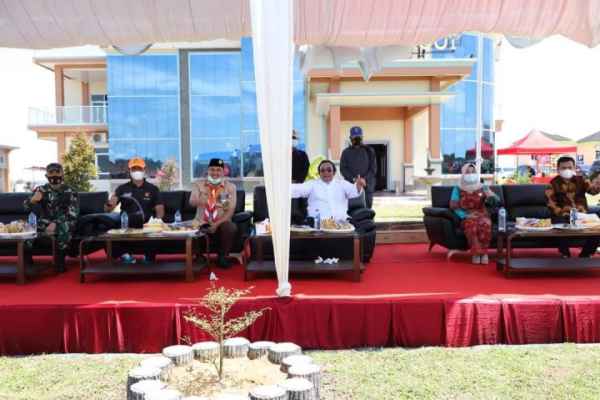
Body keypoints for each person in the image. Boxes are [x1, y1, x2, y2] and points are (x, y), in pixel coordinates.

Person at [105, 157, 165, 263]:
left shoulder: (152, 189)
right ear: (129, 171)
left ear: (144, 170)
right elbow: (108, 209)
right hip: (126, 225)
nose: (137, 171)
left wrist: (157, 222)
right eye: (134, 169)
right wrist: (110, 203)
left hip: (146, 225)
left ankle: (148, 257)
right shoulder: (122, 188)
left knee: (158, 231)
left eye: (139, 169)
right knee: (107, 231)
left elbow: (160, 210)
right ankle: (125, 256)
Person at [24, 163, 79, 272]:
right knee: (28, 230)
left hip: (65, 220)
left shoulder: (70, 191)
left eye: (57, 172)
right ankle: (26, 260)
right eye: (51, 172)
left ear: (62, 174)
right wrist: (33, 200)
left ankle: (60, 261)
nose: (54, 175)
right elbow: (25, 207)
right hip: (45, 221)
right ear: (46, 176)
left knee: (64, 228)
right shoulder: (41, 190)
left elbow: (73, 213)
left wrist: (56, 223)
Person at [545, 156, 600, 258]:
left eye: (570, 167)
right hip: (562, 215)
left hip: (582, 215)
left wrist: (598, 183)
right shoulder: (552, 184)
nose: (567, 170)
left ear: (574, 168)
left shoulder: (582, 180)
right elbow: (551, 204)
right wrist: (565, 214)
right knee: (558, 223)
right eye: (563, 168)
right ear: (558, 169)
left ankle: (586, 254)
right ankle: (565, 254)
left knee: (597, 227)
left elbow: (593, 191)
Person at [189, 158, 238, 268]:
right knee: (192, 226)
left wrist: (216, 225)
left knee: (230, 227)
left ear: (223, 172)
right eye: (212, 170)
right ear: (208, 170)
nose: (215, 173)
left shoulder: (230, 187)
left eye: (218, 170)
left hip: (221, 222)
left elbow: (230, 210)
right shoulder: (198, 185)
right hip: (201, 221)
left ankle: (223, 257)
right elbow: (192, 201)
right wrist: (208, 201)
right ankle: (199, 256)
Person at [449, 163, 498, 265]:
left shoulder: (483, 187)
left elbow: (496, 200)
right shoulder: (457, 188)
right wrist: (465, 215)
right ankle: (476, 253)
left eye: (473, 172)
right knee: (472, 226)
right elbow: (454, 206)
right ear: (463, 174)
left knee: (485, 224)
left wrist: (491, 195)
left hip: (482, 214)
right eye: (468, 172)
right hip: (467, 215)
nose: (471, 174)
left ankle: (484, 253)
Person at [291, 159, 366, 221]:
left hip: (340, 223)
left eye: (329, 170)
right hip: (318, 224)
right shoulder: (312, 184)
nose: (325, 172)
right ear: (319, 173)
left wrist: (358, 185)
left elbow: (354, 191)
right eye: (322, 170)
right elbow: (297, 189)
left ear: (334, 172)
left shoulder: (342, 184)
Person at [340, 126, 377, 208]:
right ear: (350, 138)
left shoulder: (370, 150)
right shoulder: (346, 152)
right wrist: (354, 179)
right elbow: (343, 169)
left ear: (362, 137)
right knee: (351, 210)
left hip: (367, 186)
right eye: (354, 138)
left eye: (358, 137)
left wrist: (364, 179)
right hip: (351, 187)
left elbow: (373, 169)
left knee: (367, 210)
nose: (357, 140)